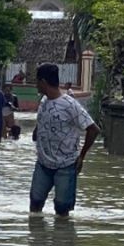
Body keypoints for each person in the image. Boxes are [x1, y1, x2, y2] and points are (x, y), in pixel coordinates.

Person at [31, 63, 99, 217]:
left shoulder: (70, 105)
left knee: (62, 210)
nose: (35, 85)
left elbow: (93, 129)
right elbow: (43, 120)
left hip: (66, 165)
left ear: (43, 82)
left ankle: (61, 239)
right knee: (35, 205)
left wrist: (82, 156)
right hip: (43, 164)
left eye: (37, 81)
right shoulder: (43, 101)